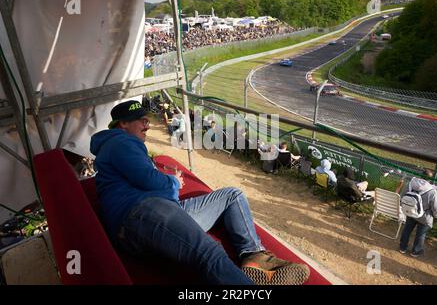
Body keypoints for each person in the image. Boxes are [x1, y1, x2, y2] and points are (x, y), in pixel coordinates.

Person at [89, 100, 310, 285]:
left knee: (232, 195)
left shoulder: (119, 145)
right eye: (142, 120)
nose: (147, 125)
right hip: (141, 214)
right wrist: (173, 182)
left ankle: (254, 256)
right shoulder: (120, 142)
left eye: (147, 120)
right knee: (210, 253)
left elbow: (147, 181)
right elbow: (151, 181)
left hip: (152, 212)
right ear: (123, 124)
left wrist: (166, 185)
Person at [398, 169, 437, 257]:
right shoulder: (433, 192)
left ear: (421, 176)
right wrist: (435, 215)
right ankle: (415, 251)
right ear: (431, 180)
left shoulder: (410, 184)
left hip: (411, 211)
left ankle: (402, 247)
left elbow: (402, 197)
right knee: (421, 234)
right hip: (424, 216)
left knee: (407, 229)